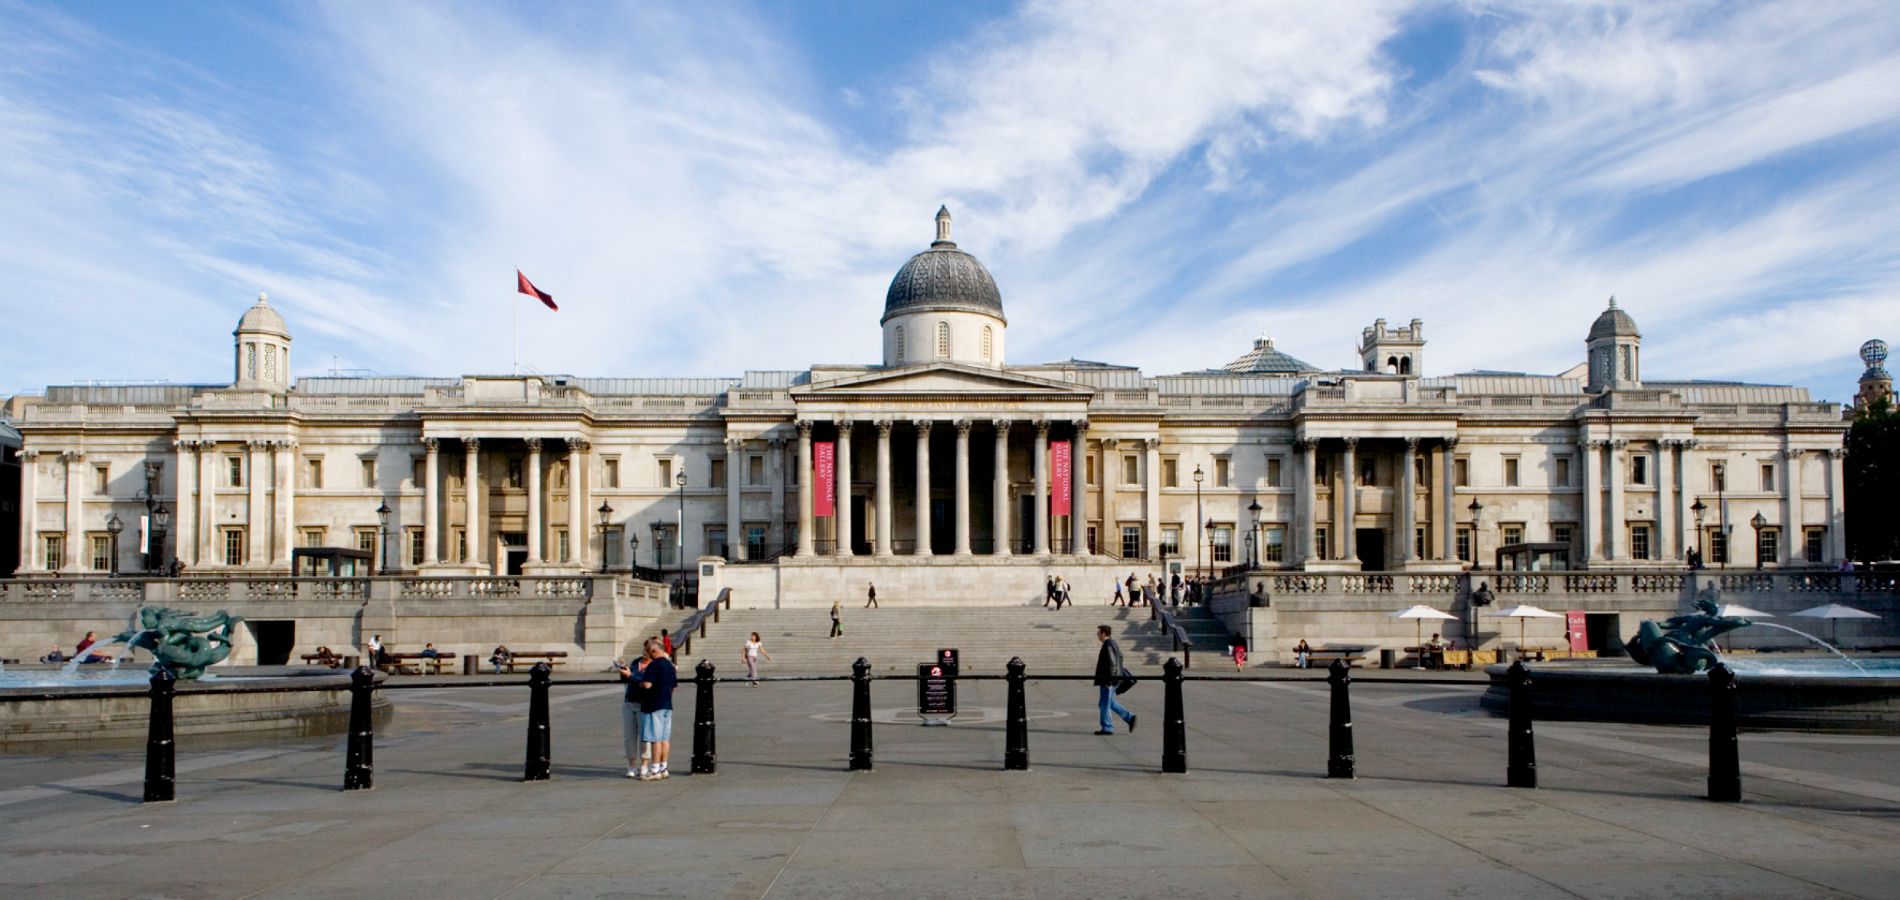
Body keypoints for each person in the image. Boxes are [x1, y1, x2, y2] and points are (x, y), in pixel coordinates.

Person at [638, 638, 678, 780]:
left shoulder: (654, 665)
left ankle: (655, 770)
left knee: (655, 739)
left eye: (649, 652)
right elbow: (673, 687)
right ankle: (663, 767)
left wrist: (640, 682)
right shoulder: (670, 666)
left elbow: (647, 685)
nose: (648, 655)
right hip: (667, 704)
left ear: (654, 650)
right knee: (664, 739)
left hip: (653, 705)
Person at [1092, 625, 1136, 735]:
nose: (1097, 634)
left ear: (1103, 633)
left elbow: (1112, 663)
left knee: (1104, 703)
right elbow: (1119, 659)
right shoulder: (1113, 643)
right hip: (1114, 678)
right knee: (1109, 701)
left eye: (1098, 633)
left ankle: (1107, 727)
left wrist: (1110, 681)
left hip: (1109, 679)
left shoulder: (1108, 645)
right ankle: (1129, 717)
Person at [613, 652, 651, 778]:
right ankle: (632, 766)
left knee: (644, 736)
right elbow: (627, 680)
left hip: (644, 704)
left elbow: (645, 683)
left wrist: (631, 675)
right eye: (644, 651)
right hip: (629, 702)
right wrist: (623, 670)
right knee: (629, 736)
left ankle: (644, 765)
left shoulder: (654, 666)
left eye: (647, 651)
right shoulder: (636, 662)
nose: (645, 654)